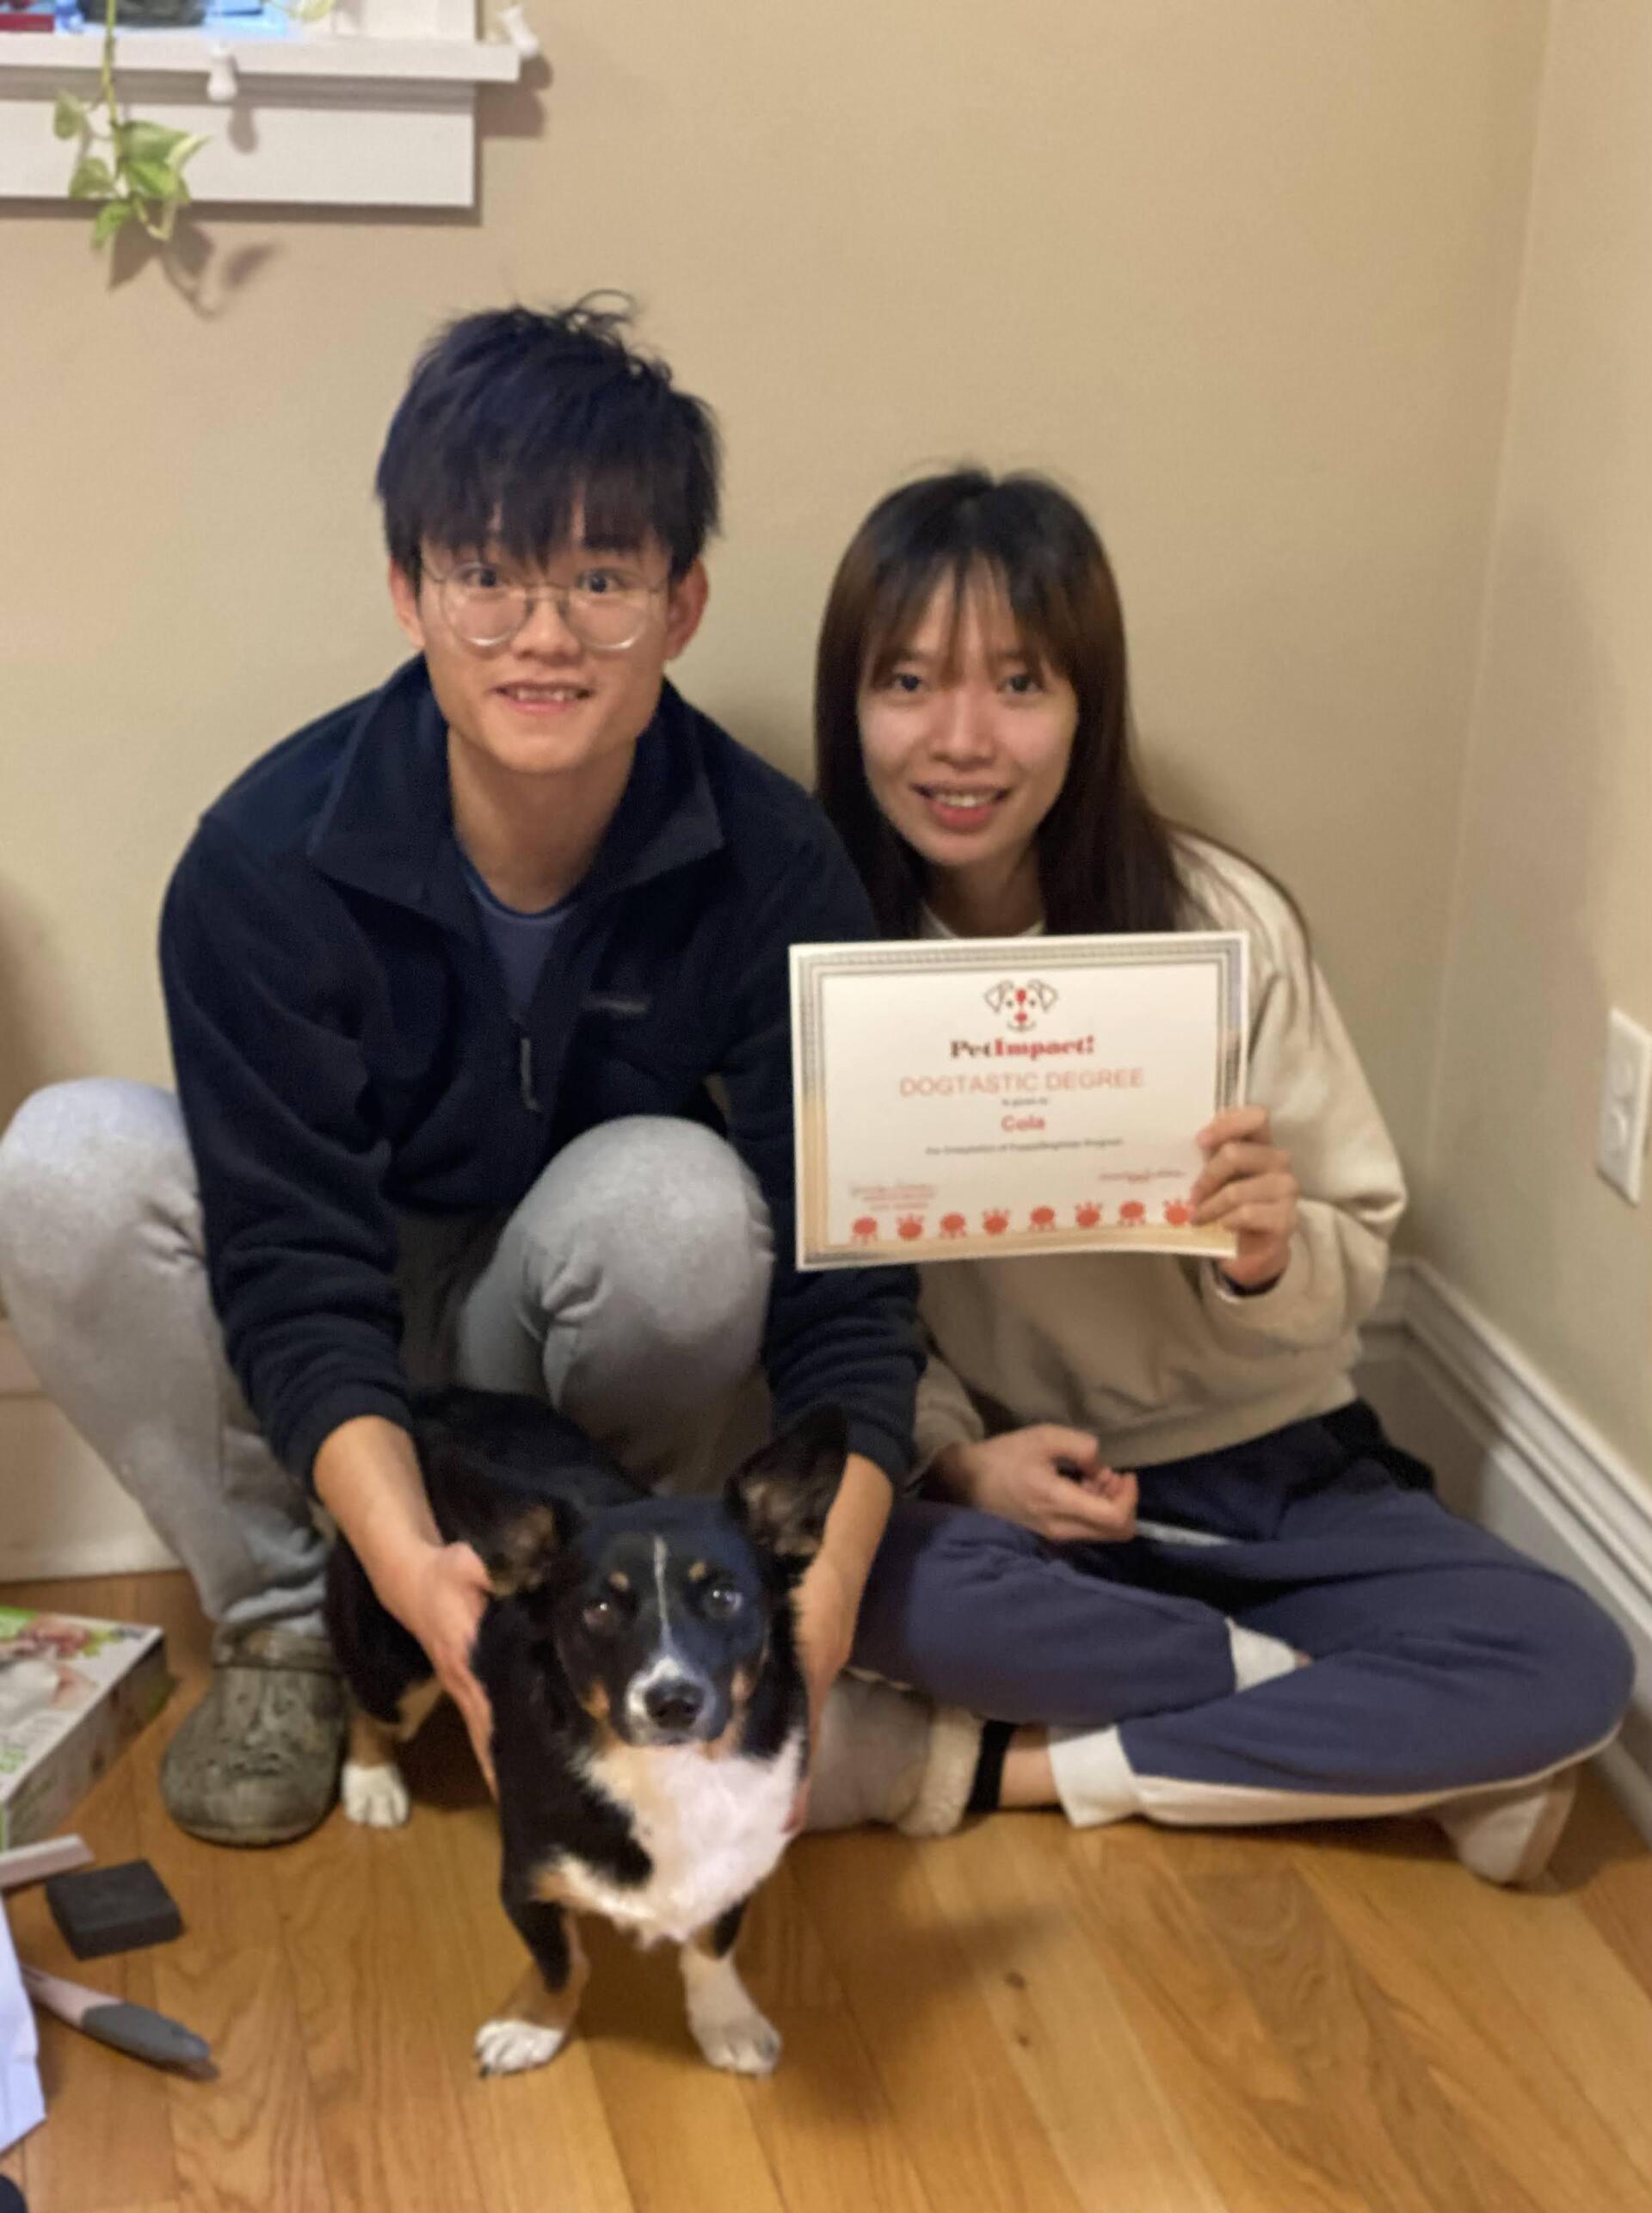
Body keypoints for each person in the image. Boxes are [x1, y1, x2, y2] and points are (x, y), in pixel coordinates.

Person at [0, 302, 920, 1847]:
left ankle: (599, 1608)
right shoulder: (260, 860)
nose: (543, 635)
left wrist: (818, 1612)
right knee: (63, 1163)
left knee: (686, 1206)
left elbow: (853, 1279)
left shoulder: (773, 862)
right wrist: (409, 1569)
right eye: (487, 575)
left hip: (545, 1321)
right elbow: (293, 1276)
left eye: (602, 580)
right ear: (410, 590)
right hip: (344, 1290)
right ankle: (292, 1622)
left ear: (682, 604)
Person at [803, 467, 1633, 1882]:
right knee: (853, 1580)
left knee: (1570, 1663)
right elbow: (837, 1299)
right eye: (906, 681)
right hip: (1020, 1499)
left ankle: (991, 1766)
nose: (960, 740)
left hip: (1282, 1484)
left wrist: (1267, 1250)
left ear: (1088, 707)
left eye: (1018, 683)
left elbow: (1354, 1240)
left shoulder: (1221, 928)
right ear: (852, 706)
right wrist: (957, 1453)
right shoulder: (821, 955)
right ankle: (1351, 1725)